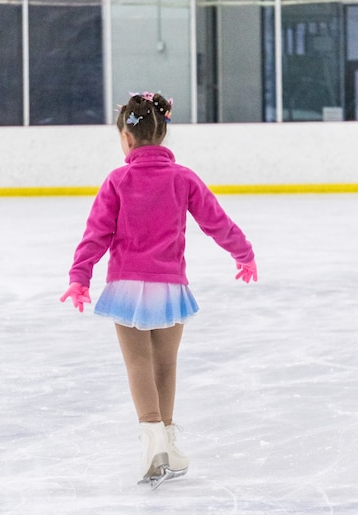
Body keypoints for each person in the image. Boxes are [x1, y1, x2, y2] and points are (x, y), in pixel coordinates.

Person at [60, 92, 257, 487]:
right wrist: (244, 253)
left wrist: (80, 277)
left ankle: (153, 440)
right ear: (163, 134)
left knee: (138, 364)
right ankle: (165, 440)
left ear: (127, 140)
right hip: (169, 285)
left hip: (127, 286)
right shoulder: (183, 178)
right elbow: (216, 221)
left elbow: (96, 234)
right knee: (165, 365)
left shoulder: (117, 180)